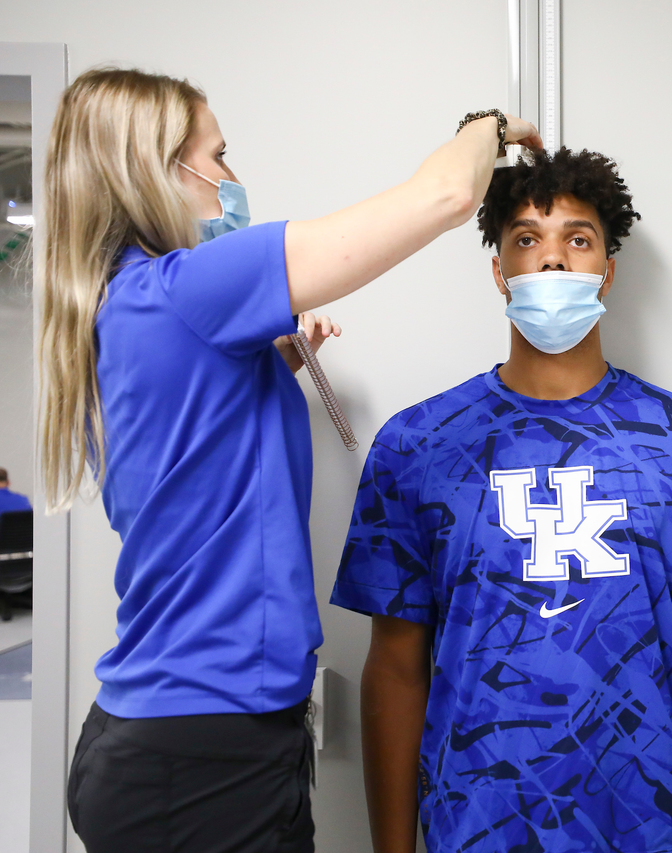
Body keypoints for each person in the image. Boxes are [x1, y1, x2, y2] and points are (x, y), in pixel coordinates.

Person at [39, 67, 540, 853]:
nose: (233, 179)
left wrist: (276, 370)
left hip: (188, 739)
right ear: (159, 170)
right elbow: (443, 198)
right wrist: (491, 127)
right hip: (201, 756)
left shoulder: (129, 304)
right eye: (220, 154)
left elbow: (195, 455)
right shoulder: (187, 288)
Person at [332, 148, 672, 853]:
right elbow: (394, 667)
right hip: (475, 829)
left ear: (608, 268)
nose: (553, 260)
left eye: (578, 238)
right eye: (527, 239)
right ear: (499, 271)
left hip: (650, 829)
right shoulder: (417, 446)